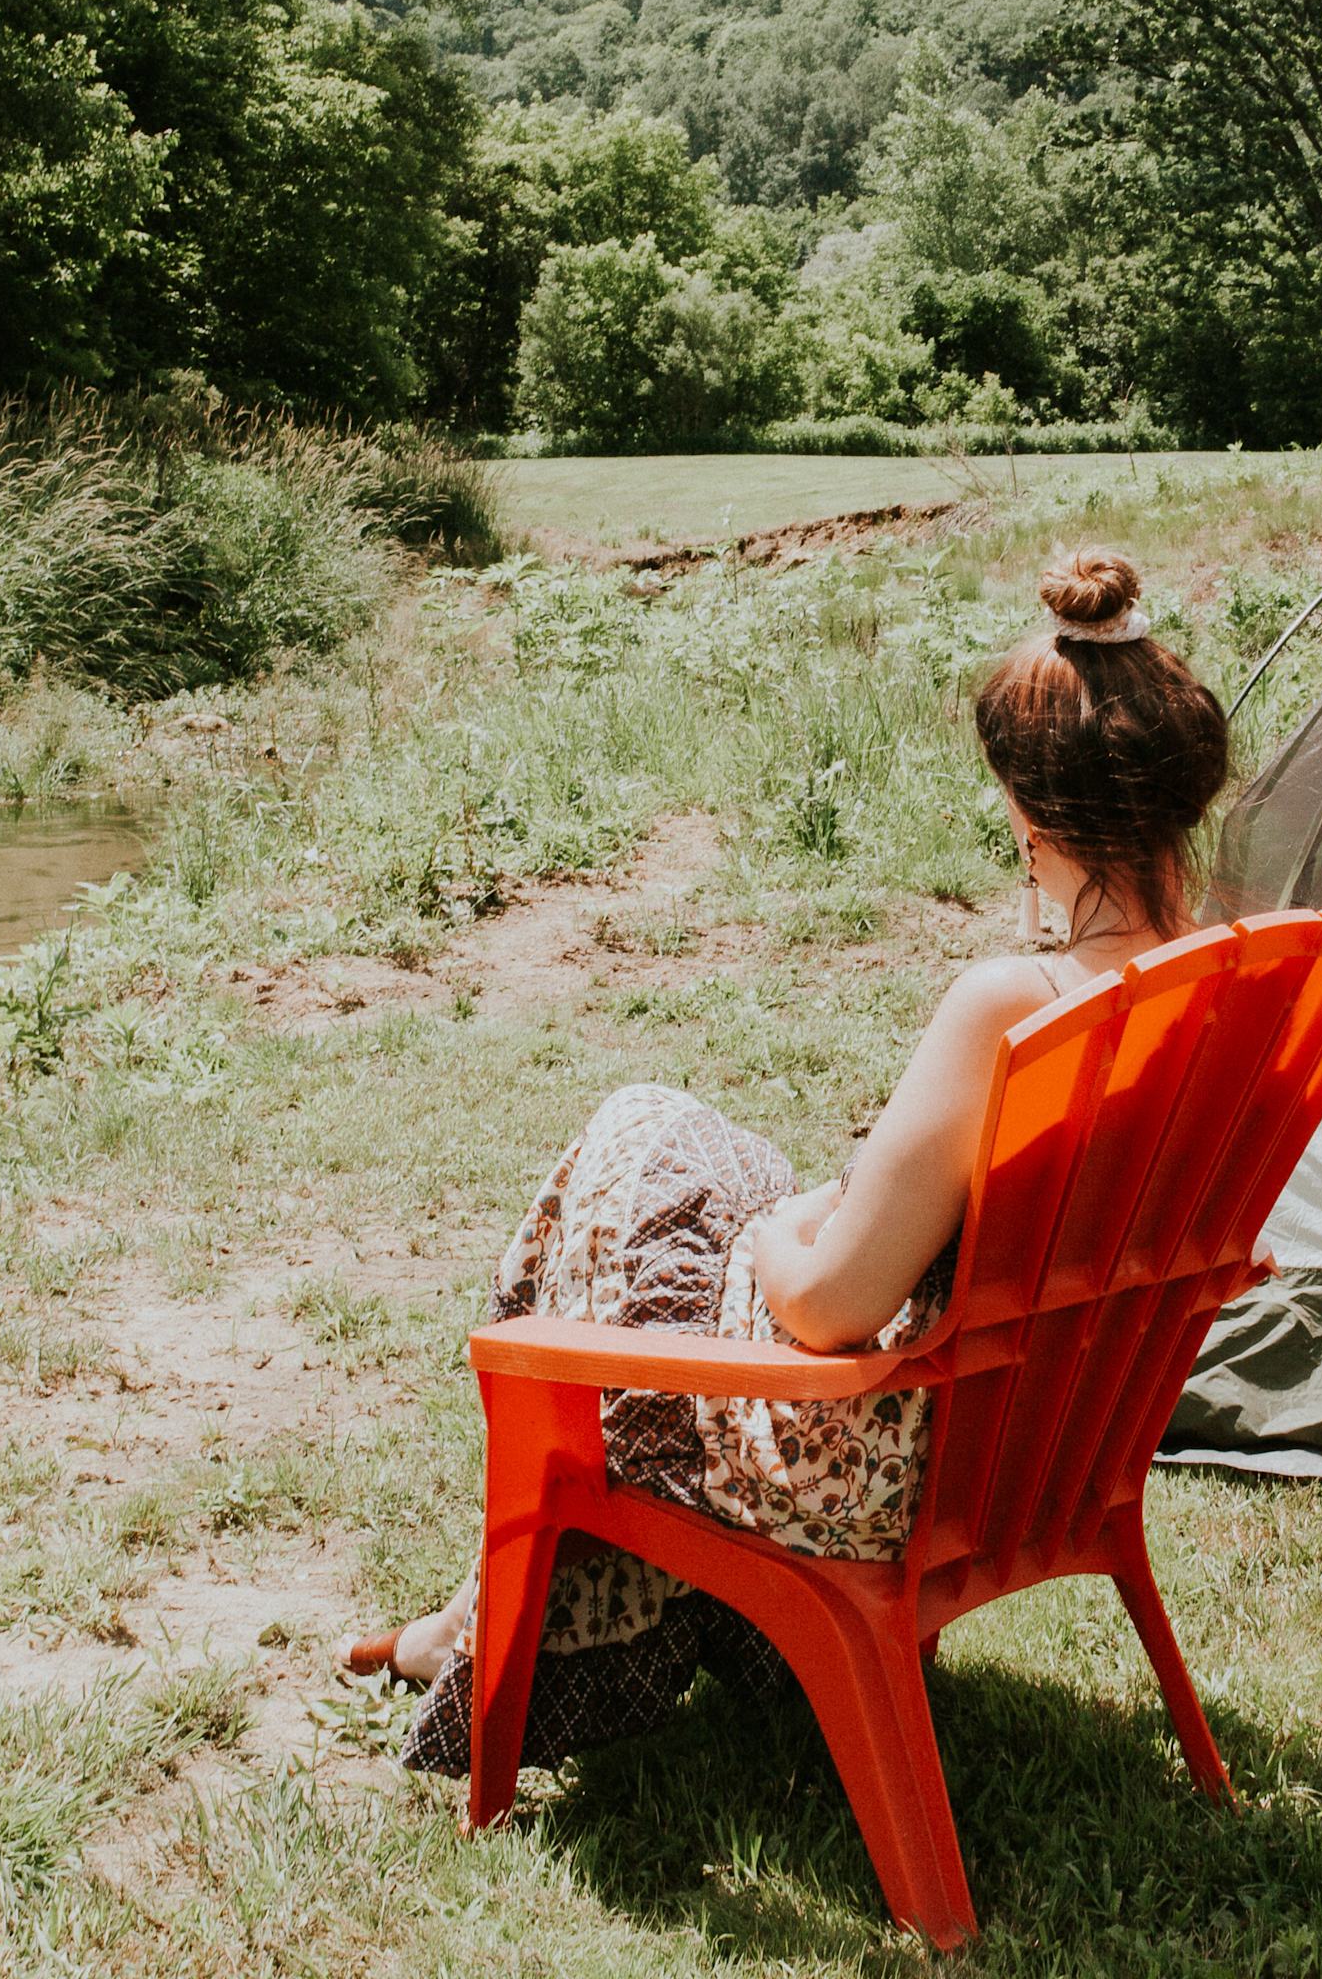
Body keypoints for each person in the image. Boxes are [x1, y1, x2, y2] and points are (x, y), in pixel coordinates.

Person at [341, 549, 1231, 1780]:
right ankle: (466, 1621)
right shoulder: (1234, 989)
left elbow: (825, 1313)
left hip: (870, 1464)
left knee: (637, 1146)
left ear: (1030, 819)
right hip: (1049, 1438)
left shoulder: (1012, 1009)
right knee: (693, 1159)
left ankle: (494, 1636)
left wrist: (780, 1238)